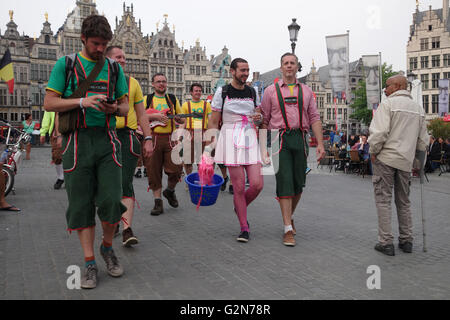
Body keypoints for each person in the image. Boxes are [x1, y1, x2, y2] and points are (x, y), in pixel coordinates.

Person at [44, 15, 129, 289]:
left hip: (107, 140)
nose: (100, 49)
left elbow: (126, 107)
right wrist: (82, 101)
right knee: (81, 204)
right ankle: (90, 262)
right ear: (83, 38)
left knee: (112, 200)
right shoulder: (65, 65)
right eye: (95, 43)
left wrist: (113, 108)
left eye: (104, 44)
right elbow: (49, 103)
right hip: (76, 141)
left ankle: (107, 247)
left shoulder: (114, 69)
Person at [261, 53, 325, 247]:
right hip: (278, 138)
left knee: (299, 184)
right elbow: (264, 121)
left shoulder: (306, 91)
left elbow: (314, 117)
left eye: (292, 63)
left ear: (297, 67)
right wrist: (263, 147)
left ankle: (290, 215)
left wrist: (320, 144)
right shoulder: (270, 91)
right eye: (286, 63)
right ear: (281, 67)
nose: (289, 66)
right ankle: (287, 228)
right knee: (285, 182)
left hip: (299, 137)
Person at [368, 75, 429, 256]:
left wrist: (373, 151)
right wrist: (418, 163)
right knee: (404, 201)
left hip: (386, 158)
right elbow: (422, 141)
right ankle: (406, 240)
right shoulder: (418, 109)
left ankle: (386, 242)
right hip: (405, 161)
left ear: (397, 86)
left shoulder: (387, 105)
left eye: (387, 86)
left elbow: (379, 133)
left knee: (383, 200)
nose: (385, 90)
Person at [206, 58, 264, 243]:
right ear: (232, 71)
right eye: (242, 70)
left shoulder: (253, 91)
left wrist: (259, 117)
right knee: (238, 187)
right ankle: (244, 227)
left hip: (249, 137)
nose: (246, 73)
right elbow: (214, 121)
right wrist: (210, 147)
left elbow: (259, 116)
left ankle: (240, 207)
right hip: (230, 137)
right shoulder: (222, 92)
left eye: (247, 70)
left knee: (257, 184)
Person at [105, 45, 153, 247]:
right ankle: (113, 220)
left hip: (127, 136)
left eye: (124, 57)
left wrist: (148, 138)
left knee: (126, 183)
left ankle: (127, 229)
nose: (123, 60)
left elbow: (142, 114)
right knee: (107, 185)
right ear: (107, 59)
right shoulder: (101, 82)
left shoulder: (132, 83)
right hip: (104, 135)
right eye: (119, 57)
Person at [143, 73, 184, 216]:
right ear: (153, 84)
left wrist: (180, 119)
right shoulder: (147, 99)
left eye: (164, 82)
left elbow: (182, 120)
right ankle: (157, 202)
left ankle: (170, 190)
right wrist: (155, 116)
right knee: (153, 170)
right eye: (158, 82)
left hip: (170, 138)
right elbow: (139, 116)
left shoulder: (172, 99)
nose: (161, 84)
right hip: (153, 138)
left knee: (177, 168)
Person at [181, 83, 212, 177]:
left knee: (201, 160)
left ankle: (200, 178)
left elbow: (210, 121)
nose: (198, 93)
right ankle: (189, 178)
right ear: (191, 92)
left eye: (199, 91)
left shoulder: (207, 105)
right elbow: (183, 122)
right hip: (189, 133)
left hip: (203, 133)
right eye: (196, 91)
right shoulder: (186, 105)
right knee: (188, 160)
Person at [40, 111, 65, 190]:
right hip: (55, 134)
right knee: (56, 156)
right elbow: (46, 119)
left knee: (70, 156)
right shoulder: (51, 102)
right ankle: (61, 177)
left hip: (69, 130)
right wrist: (43, 133)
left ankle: (68, 177)